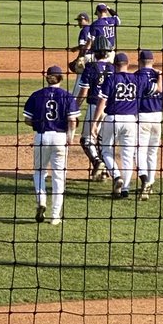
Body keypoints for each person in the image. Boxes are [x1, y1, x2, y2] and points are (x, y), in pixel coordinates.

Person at [22, 66, 79, 225]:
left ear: (47, 77)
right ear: (61, 78)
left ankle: (41, 201)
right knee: (59, 177)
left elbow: (27, 119)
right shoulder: (67, 96)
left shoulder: (37, 95)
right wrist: (70, 137)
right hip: (60, 138)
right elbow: (72, 120)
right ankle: (55, 216)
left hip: (42, 137)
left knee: (39, 172)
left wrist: (39, 123)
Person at [91, 52, 140, 198]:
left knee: (105, 151)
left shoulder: (110, 79)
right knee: (128, 155)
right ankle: (125, 189)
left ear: (114, 65)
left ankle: (116, 176)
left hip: (112, 119)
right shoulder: (136, 79)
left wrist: (94, 122)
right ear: (128, 64)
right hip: (131, 120)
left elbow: (102, 102)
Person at [135, 49, 163, 199]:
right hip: (157, 118)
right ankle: (150, 183)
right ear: (153, 61)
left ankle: (144, 180)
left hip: (141, 118)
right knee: (152, 153)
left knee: (139, 152)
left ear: (139, 61)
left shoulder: (135, 76)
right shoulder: (160, 77)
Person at [74, 56, 114, 179]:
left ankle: (97, 162)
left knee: (86, 140)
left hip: (95, 107)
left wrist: (74, 108)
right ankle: (104, 173)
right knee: (103, 142)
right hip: (110, 109)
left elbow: (83, 92)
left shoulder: (90, 67)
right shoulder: (112, 67)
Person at [68, 12, 93, 78]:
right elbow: (87, 43)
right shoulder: (93, 28)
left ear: (87, 20)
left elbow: (83, 47)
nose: (79, 22)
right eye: (78, 21)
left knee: (79, 72)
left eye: (80, 20)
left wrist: (78, 59)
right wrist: (76, 48)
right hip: (95, 56)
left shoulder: (84, 31)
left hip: (86, 56)